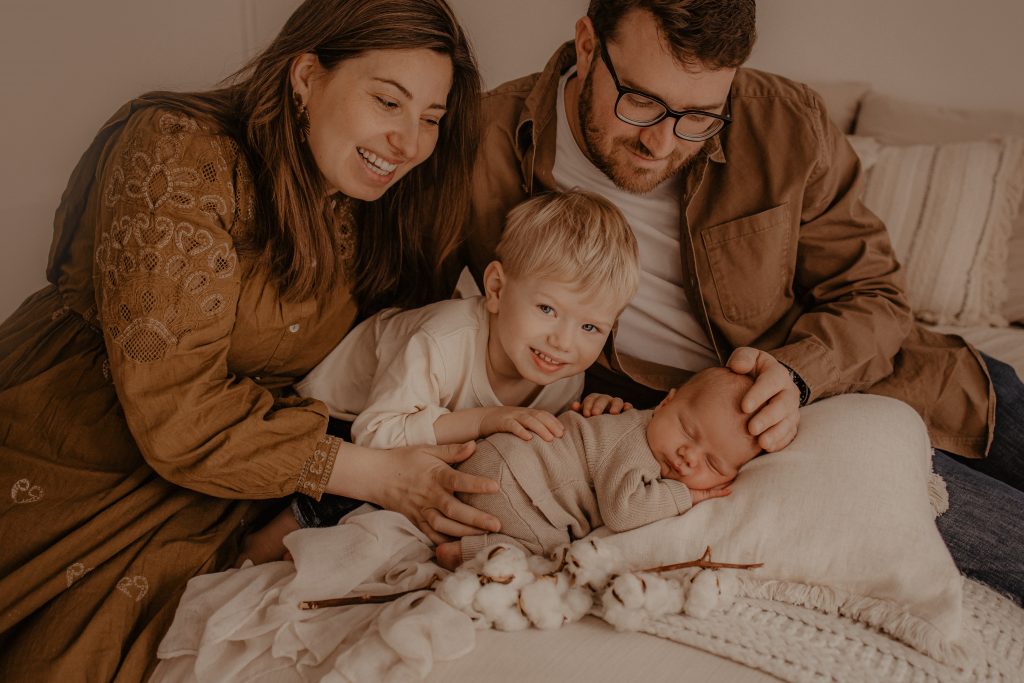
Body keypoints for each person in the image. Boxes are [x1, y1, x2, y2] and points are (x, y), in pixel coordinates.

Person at [0, 1, 505, 679]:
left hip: (228, 473)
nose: (407, 142)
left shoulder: (376, 207)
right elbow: (176, 410)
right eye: (388, 101)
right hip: (76, 435)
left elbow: (402, 360)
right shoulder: (179, 151)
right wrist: (377, 476)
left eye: (431, 120)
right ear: (305, 76)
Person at [462, 0, 1024, 601]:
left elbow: (874, 294)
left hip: (913, 381)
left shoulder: (785, 122)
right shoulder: (483, 141)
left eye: (699, 115)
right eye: (643, 101)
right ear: (587, 45)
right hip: (733, 451)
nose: (660, 142)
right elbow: (406, 320)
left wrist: (798, 373)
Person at [239, 189, 641, 564]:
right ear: (497, 289)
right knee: (385, 477)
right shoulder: (441, 338)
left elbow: (539, 453)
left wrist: (595, 421)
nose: (564, 342)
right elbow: (376, 434)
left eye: (590, 328)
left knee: (461, 480)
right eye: (548, 310)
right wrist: (486, 420)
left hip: (418, 427)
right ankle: (267, 541)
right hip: (336, 417)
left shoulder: (563, 377)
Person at [441, 367, 760, 567]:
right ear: (665, 403)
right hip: (514, 478)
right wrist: (684, 496)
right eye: (687, 431)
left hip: (505, 460)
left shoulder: (636, 425)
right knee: (552, 552)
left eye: (712, 463)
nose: (689, 455)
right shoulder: (637, 446)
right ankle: (466, 552)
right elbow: (623, 512)